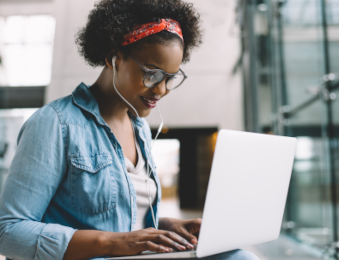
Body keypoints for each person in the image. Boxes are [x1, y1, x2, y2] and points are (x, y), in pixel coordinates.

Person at [0, 1, 259, 259]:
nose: (161, 90)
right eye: (152, 74)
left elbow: (121, 217)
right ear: (114, 57)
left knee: (239, 257)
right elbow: (8, 232)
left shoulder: (140, 130)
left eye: (170, 78)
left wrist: (165, 227)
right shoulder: (54, 124)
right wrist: (111, 243)